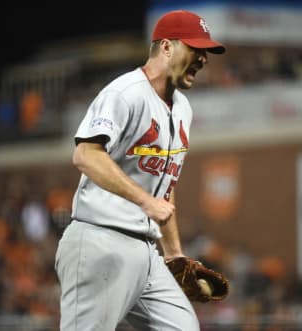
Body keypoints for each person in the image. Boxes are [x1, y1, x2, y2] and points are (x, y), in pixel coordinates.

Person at [54, 9, 226, 331]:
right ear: (166, 47)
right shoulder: (125, 93)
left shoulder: (183, 109)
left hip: (147, 251)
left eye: (206, 52)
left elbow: (164, 186)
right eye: (195, 48)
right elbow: (86, 155)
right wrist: (145, 201)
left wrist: (174, 254)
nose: (203, 58)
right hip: (99, 238)